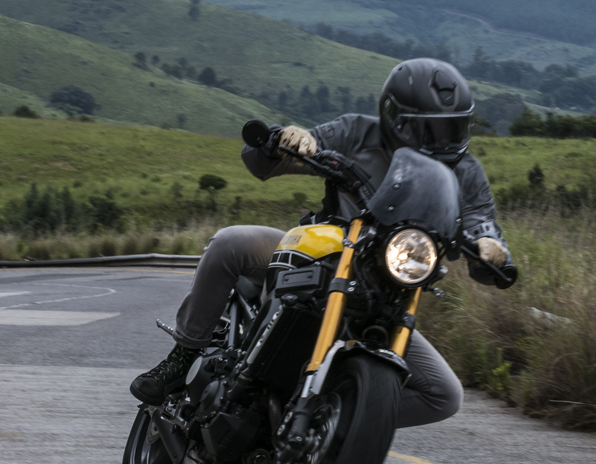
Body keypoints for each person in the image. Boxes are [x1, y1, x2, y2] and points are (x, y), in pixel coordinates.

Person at [130, 57, 511, 428]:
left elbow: (481, 221)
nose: (443, 140)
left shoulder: (467, 171)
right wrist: (287, 139)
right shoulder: (358, 131)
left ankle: (331, 430)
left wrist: (490, 245)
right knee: (231, 242)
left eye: (453, 128)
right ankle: (183, 356)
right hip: (321, 252)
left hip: (386, 291)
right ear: (394, 117)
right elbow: (271, 159)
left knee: (443, 395)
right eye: (428, 129)